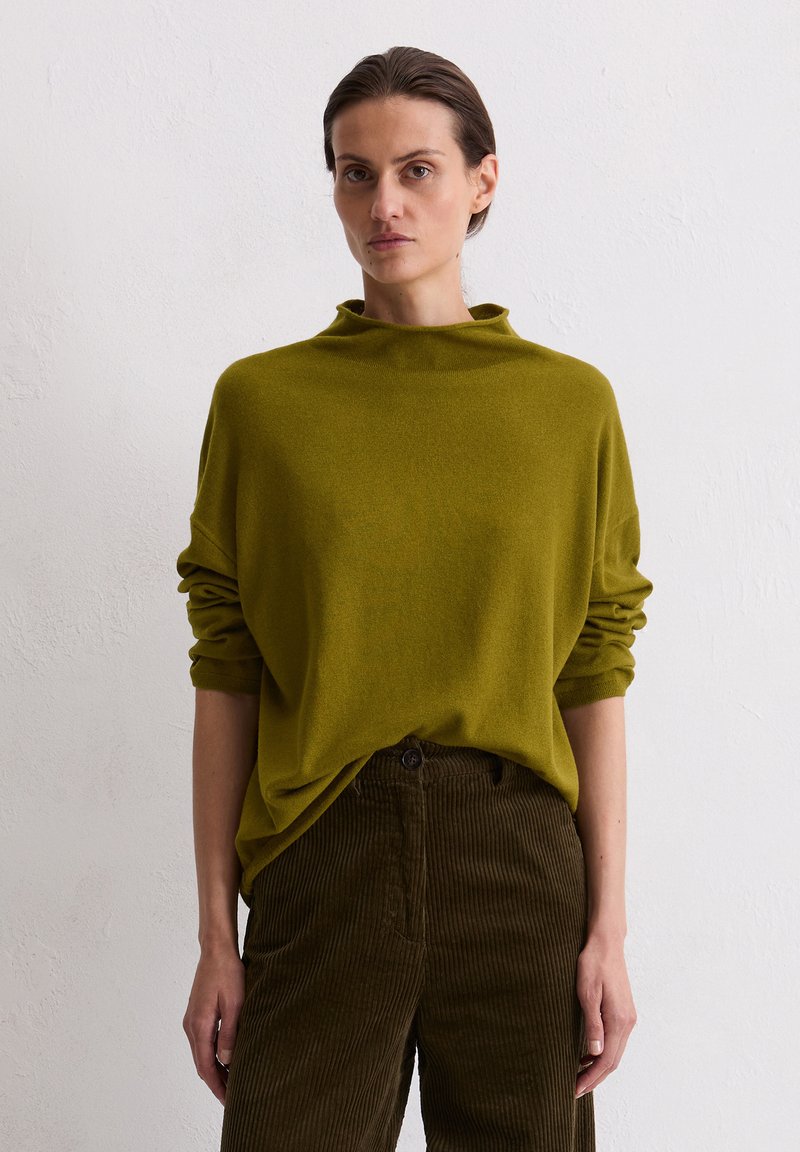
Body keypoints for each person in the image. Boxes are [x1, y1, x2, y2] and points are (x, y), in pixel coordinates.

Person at [176, 45, 654, 1152]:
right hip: (320, 846)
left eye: (416, 170)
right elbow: (226, 668)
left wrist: (608, 929)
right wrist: (215, 937)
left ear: (482, 180)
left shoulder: (567, 406)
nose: (382, 204)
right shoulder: (262, 403)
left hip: (516, 854)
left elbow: (594, 668)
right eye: (355, 173)